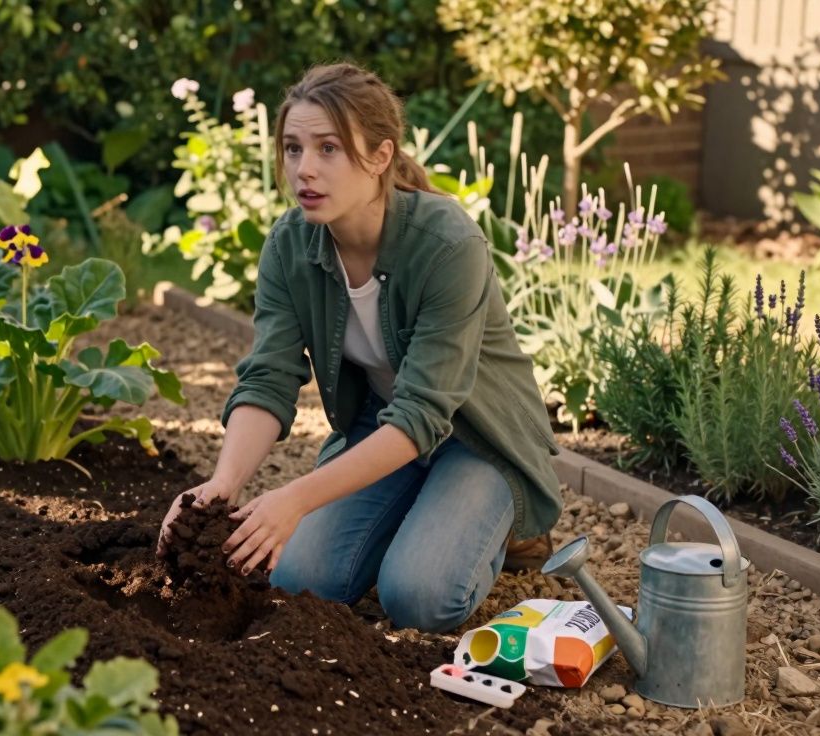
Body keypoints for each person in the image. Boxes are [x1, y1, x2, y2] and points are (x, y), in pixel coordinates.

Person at [155, 63, 562, 634]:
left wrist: (294, 498)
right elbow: (269, 377)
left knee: (418, 597)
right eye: (293, 148)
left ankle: (504, 525)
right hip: (382, 425)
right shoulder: (290, 246)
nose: (305, 169)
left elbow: (424, 412)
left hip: (479, 436)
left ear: (379, 156)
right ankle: (424, 511)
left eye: (329, 149)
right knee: (297, 579)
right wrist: (221, 487)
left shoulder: (447, 244)